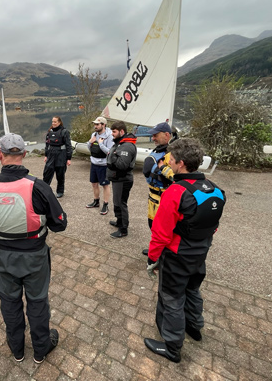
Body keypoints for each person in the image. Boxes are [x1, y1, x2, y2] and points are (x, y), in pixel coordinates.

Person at [0, 133, 68, 364]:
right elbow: (60, 224)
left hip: (4, 255)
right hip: (35, 255)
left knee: (9, 301)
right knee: (37, 301)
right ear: (23, 155)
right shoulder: (39, 186)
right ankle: (41, 348)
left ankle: (17, 348)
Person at [144, 138, 225, 363]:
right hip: (200, 253)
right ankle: (195, 327)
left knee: (171, 298)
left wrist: (152, 258)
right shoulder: (215, 190)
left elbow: (160, 233)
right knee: (192, 290)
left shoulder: (175, 192)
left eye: (170, 157)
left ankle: (172, 347)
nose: (167, 160)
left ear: (180, 164)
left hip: (177, 256)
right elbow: (213, 226)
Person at [141, 121, 175, 255]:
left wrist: (163, 168)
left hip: (164, 198)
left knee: (163, 229)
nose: (153, 138)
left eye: (156, 135)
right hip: (153, 197)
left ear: (166, 135)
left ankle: (164, 254)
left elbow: (177, 177)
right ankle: (155, 249)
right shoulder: (158, 150)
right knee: (152, 225)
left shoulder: (174, 154)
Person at [106, 121, 137, 238]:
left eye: (114, 132)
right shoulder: (120, 143)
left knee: (121, 203)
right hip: (117, 178)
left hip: (123, 179)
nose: (112, 134)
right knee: (116, 202)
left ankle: (123, 229)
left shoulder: (127, 146)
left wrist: (113, 155)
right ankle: (119, 221)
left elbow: (122, 165)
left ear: (122, 131)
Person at [86, 116, 113, 215]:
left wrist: (101, 144)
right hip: (94, 163)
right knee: (94, 183)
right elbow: (90, 148)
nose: (95, 126)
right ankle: (96, 201)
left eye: (97, 124)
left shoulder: (109, 136)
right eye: (95, 124)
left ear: (103, 125)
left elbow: (110, 152)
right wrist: (90, 142)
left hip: (103, 165)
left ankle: (106, 204)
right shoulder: (94, 134)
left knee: (105, 185)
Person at [43, 116, 72, 198]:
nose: (53, 123)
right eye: (52, 121)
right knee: (47, 174)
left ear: (59, 122)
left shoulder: (64, 131)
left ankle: (60, 191)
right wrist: (46, 155)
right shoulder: (50, 131)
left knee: (60, 175)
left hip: (61, 155)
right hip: (51, 155)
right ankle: (44, 190)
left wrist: (69, 158)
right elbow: (47, 144)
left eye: (55, 122)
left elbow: (68, 145)